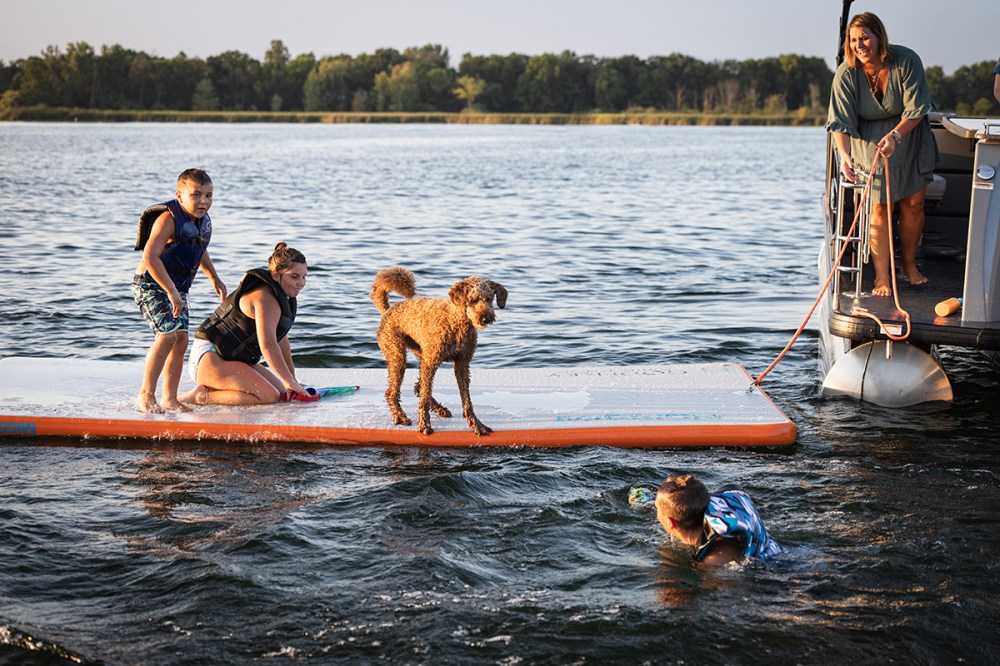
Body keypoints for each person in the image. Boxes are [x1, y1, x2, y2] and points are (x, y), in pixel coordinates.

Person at [827, 12, 938, 297]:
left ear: (879, 37)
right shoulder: (846, 73)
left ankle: (909, 266)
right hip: (870, 144)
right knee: (879, 207)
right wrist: (845, 156)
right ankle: (881, 277)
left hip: (909, 137)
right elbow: (839, 121)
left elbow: (916, 109)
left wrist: (896, 136)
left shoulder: (907, 60)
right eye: (853, 40)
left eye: (864, 37)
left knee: (913, 204)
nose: (859, 45)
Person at [133, 168, 226, 413]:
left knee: (181, 339)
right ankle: (146, 395)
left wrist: (214, 277)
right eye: (196, 195)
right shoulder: (168, 219)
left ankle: (170, 398)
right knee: (167, 336)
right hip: (151, 285)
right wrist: (171, 290)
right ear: (179, 195)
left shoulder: (201, 223)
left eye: (209, 195)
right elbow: (150, 257)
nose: (204, 201)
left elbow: (199, 248)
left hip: (175, 288)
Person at [181, 242, 316, 406]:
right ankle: (200, 396)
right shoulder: (265, 299)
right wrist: (289, 382)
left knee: (281, 393)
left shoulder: (279, 298)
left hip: (230, 358)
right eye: (294, 276)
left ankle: (220, 388)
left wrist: (291, 380)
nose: (301, 283)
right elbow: (268, 344)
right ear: (275, 275)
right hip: (208, 356)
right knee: (269, 396)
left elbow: (281, 340)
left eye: (304, 276)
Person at [655, 474, 782, 565]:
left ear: (670, 522)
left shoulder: (715, 558)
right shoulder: (719, 500)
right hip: (777, 549)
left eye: (657, 509)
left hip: (776, 573)